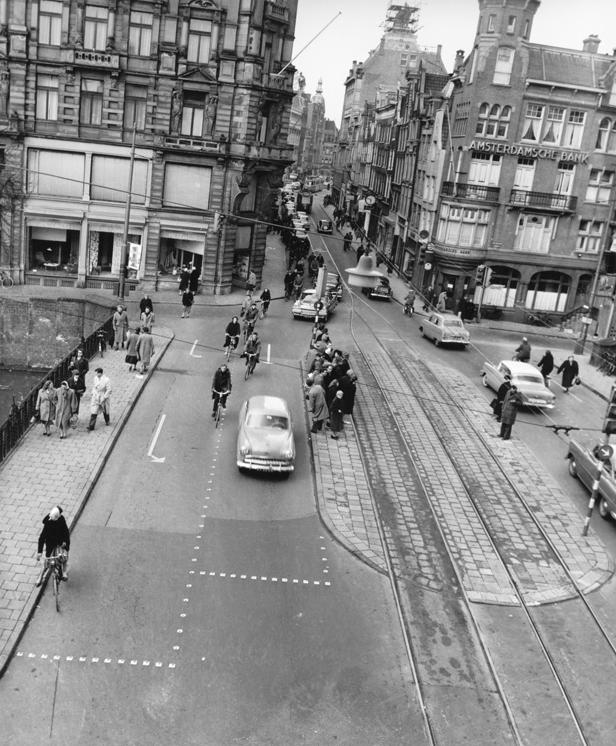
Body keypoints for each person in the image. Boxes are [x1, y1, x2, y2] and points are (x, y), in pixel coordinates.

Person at [36, 505, 70, 584]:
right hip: (50, 543)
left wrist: (65, 542)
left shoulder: (61, 520)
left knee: (64, 556)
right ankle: (40, 576)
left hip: (61, 542)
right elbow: (42, 538)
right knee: (47, 560)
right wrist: (39, 552)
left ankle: (64, 572)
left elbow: (66, 532)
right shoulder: (48, 522)